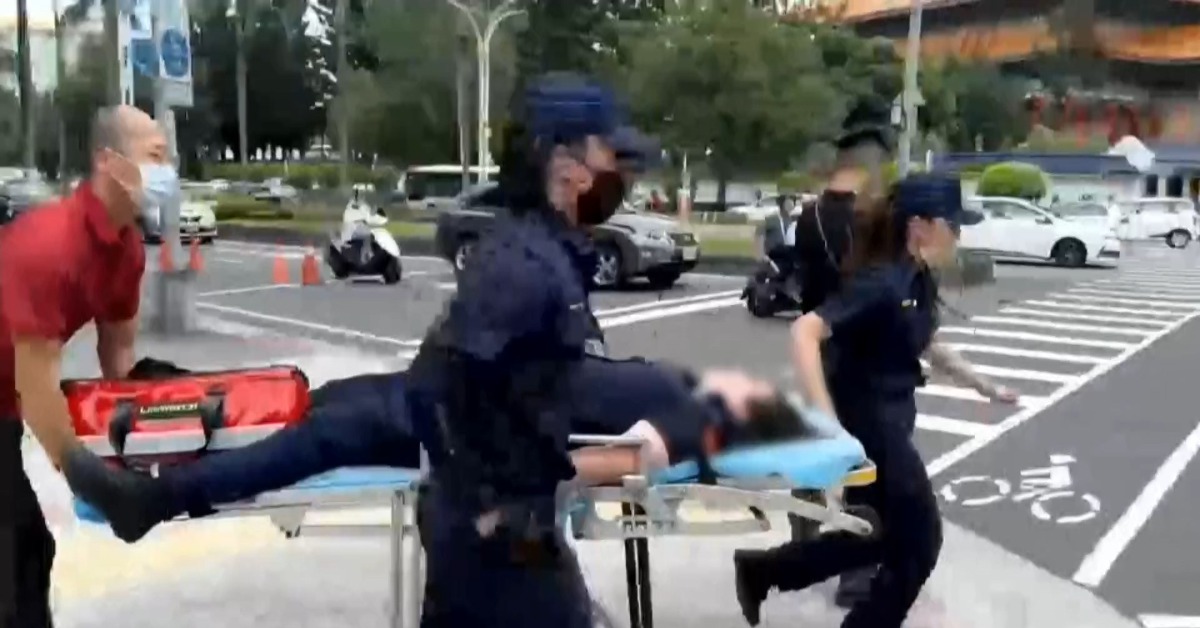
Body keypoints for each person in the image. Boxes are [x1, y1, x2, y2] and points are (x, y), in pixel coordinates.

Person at [730, 174, 1020, 628]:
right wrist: (829, 426)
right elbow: (805, 331)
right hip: (871, 424)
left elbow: (926, 341)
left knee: (879, 535)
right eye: (953, 225)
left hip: (895, 417)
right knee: (921, 543)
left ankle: (764, 571)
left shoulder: (916, 277)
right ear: (920, 226)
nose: (959, 236)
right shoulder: (881, 282)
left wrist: (984, 385)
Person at [0, 105, 171, 628]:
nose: (166, 172)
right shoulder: (49, 246)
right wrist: (83, 472)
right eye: (155, 157)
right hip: (15, 392)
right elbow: (36, 386)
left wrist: (148, 428)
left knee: (29, 552)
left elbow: (117, 358)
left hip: (5, 401)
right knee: (13, 554)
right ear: (107, 161)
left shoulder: (127, 251)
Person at [789, 98, 897, 604]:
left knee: (815, 446)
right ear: (873, 155)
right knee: (866, 463)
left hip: (819, 351)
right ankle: (856, 572)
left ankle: (804, 545)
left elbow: (805, 288)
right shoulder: (878, 216)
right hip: (864, 354)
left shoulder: (808, 215)